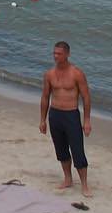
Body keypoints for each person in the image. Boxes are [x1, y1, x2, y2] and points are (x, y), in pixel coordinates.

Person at [40, 40, 93, 196]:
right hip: (55, 114)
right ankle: (68, 179)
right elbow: (44, 97)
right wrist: (42, 120)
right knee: (61, 149)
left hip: (71, 114)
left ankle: (84, 185)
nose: (56, 56)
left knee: (77, 150)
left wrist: (87, 120)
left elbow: (86, 97)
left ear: (67, 54)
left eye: (59, 54)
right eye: (54, 53)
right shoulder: (49, 74)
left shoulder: (76, 73)